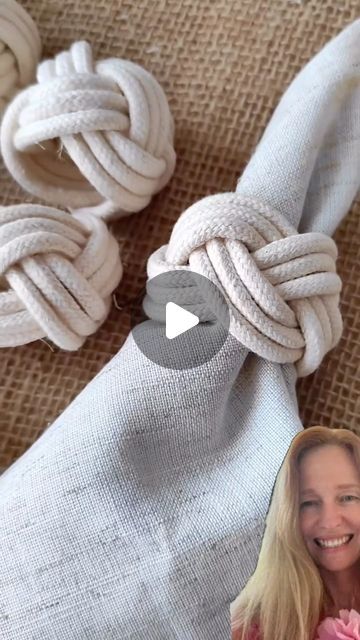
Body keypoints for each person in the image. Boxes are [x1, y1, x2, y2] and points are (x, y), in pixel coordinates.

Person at [229, 425, 360, 640]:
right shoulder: (252, 627)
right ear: (288, 516)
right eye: (308, 503)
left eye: (347, 497)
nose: (330, 520)